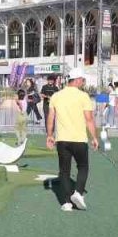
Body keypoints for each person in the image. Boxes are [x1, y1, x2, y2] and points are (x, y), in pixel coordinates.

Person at [46, 71, 99, 212]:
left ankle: (66, 202)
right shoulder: (83, 96)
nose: (83, 83)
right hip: (79, 139)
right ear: (77, 80)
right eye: (83, 80)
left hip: (62, 139)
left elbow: (51, 117)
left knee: (64, 171)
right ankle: (78, 193)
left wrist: (49, 135)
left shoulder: (57, 96)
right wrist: (94, 137)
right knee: (83, 167)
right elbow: (89, 119)